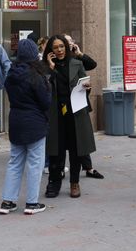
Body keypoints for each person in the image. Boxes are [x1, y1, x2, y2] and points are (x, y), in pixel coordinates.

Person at [0, 39, 51, 215]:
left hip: (16, 121)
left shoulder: (11, 75)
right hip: (34, 123)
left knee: (15, 162)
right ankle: (32, 203)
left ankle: (7, 202)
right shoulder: (36, 76)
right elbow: (46, 102)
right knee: (35, 163)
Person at [43, 34, 94, 199]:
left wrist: (87, 88)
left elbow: (85, 84)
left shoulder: (76, 63)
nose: (59, 50)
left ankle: (74, 182)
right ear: (50, 51)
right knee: (55, 151)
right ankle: (54, 182)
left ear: (66, 46)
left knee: (76, 150)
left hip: (75, 113)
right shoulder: (46, 67)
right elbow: (43, 89)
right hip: (55, 114)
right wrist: (50, 68)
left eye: (61, 46)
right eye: (55, 48)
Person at [64, 34, 104, 180]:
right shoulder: (56, 62)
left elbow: (92, 64)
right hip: (63, 105)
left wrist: (79, 53)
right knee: (66, 139)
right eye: (66, 42)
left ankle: (88, 168)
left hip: (79, 103)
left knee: (81, 137)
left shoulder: (77, 59)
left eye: (70, 41)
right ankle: (60, 168)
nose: (69, 44)